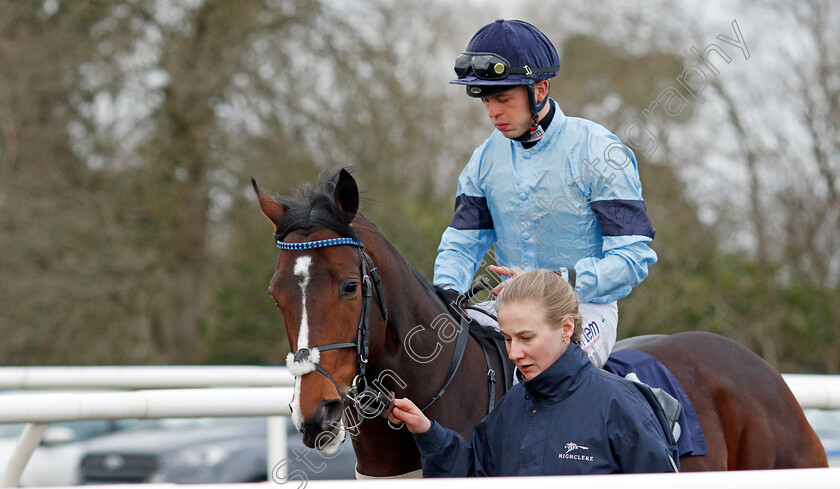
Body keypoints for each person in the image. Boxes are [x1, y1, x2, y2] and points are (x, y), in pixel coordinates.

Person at [433, 19, 657, 367]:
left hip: (583, 308)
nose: (493, 113)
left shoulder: (598, 151)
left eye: (503, 99)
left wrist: (553, 283)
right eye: (487, 101)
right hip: (505, 308)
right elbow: (462, 243)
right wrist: (445, 292)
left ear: (539, 90)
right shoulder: (483, 160)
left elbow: (632, 260)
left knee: (548, 367)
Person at [391, 270, 678, 477]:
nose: (513, 354)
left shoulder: (622, 405)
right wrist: (428, 432)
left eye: (526, 338)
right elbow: (475, 475)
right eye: (507, 338)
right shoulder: (511, 407)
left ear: (566, 328)